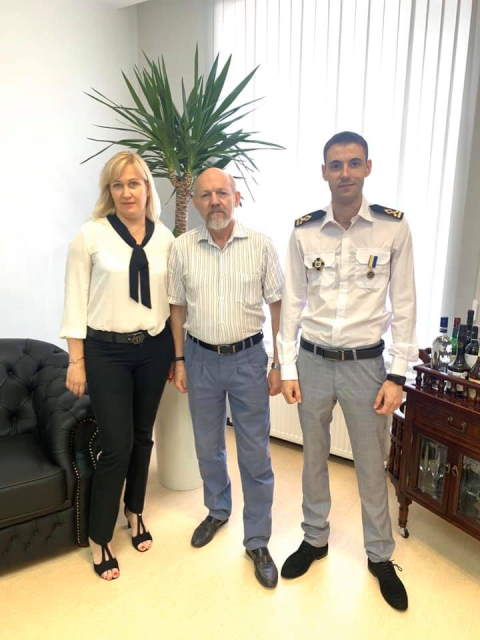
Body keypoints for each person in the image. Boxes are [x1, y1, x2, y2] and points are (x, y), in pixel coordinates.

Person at [277, 131, 417, 611]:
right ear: (324, 172)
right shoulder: (305, 231)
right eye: (336, 165)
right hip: (313, 361)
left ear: (367, 168)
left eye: (354, 163)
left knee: (371, 463)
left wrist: (397, 375)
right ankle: (314, 538)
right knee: (312, 456)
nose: (345, 173)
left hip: (366, 366)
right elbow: (293, 302)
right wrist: (288, 366)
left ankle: (379, 555)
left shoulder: (392, 228)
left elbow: (405, 304)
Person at [61, 151, 174, 580]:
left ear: (147, 188)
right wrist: (76, 360)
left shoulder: (165, 238)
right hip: (105, 352)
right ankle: (99, 535)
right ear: (109, 191)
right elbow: (75, 299)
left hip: (153, 349)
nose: (127, 193)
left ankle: (135, 510)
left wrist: (175, 355)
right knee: (116, 445)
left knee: (143, 437)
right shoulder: (90, 236)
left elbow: (172, 302)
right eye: (118, 185)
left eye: (134, 183)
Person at [168, 168, 283, 588]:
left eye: (222, 193)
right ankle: (217, 510)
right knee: (207, 446)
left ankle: (257, 540)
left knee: (255, 453)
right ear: (195, 201)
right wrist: (180, 360)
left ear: (237, 197)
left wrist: (280, 363)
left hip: (248, 359)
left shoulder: (261, 246)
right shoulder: (181, 248)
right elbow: (177, 307)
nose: (214, 201)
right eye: (205, 195)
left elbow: (278, 306)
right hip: (200, 358)